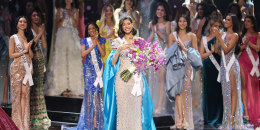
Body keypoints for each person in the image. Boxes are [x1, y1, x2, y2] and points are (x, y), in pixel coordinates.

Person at [103, 17, 156, 130]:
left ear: (132, 24)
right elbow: (112, 63)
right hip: (122, 80)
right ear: (121, 27)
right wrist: (119, 49)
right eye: (124, 24)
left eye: (128, 23)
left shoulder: (140, 40)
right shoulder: (117, 41)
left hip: (136, 79)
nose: (127, 26)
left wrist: (141, 64)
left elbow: (146, 61)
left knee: (136, 110)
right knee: (123, 110)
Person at [66, 23, 106, 130]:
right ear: (87, 31)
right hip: (88, 70)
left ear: (97, 29)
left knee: (97, 95)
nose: (91, 30)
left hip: (98, 71)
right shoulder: (85, 41)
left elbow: (103, 54)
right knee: (88, 95)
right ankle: (88, 123)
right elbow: (83, 54)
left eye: (93, 28)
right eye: (89, 29)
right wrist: (92, 45)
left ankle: (96, 123)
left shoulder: (102, 40)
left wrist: (97, 42)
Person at [214, 13, 251, 129]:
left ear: (232, 22)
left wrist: (219, 37)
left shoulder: (235, 35)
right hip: (224, 65)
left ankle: (232, 118)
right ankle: (226, 119)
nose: (225, 21)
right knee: (226, 92)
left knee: (233, 91)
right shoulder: (223, 34)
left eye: (228, 20)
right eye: (225, 19)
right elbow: (217, 50)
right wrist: (217, 37)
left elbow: (226, 49)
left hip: (232, 65)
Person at [166, 14, 202, 129]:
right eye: (180, 21)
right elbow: (169, 53)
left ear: (187, 23)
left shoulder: (192, 36)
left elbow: (196, 54)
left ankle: (186, 120)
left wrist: (183, 47)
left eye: (184, 21)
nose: (182, 23)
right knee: (177, 92)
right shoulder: (173, 36)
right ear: (177, 22)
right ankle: (180, 119)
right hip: (176, 67)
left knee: (186, 93)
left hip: (188, 67)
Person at [45, 0, 84, 96]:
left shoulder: (75, 10)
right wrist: (63, 17)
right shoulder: (59, 10)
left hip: (72, 36)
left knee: (72, 60)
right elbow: (58, 25)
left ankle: (72, 86)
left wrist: (71, 15)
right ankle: (61, 86)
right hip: (62, 36)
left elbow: (75, 25)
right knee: (61, 60)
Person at [9, 16, 34, 130]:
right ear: (17, 24)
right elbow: (11, 55)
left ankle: (24, 123)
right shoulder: (13, 38)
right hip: (17, 69)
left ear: (27, 24)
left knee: (25, 95)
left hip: (27, 68)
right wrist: (23, 51)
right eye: (20, 21)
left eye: (24, 22)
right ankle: (17, 123)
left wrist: (28, 48)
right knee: (17, 96)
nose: (23, 23)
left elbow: (32, 56)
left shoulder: (28, 37)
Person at [147, 1, 171, 116]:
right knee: (153, 79)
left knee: (161, 80)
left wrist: (156, 30)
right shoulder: (152, 23)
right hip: (153, 53)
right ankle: (153, 103)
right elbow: (150, 39)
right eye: (158, 10)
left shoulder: (167, 23)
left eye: (161, 10)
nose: (159, 12)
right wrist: (152, 32)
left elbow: (167, 39)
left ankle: (160, 105)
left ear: (165, 12)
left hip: (163, 53)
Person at [28, 9, 51, 129]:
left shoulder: (41, 29)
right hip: (32, 60)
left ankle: (41, 115)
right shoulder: (29, 30)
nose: (36, 17)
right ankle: (33, 115)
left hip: (41, 59)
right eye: (34, 15)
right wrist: (40, 33)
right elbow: (32, 44)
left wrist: (42, 33)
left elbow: (45, 45)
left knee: (40, 88)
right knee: (34, 88)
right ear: (30, 17)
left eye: (37, 15)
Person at [200, 19, 223, 126]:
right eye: (215, 25)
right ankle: (208, 117)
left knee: (218, 91)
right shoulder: (204, 39)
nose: (217, 28)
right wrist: (210, 52)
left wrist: (218, 37)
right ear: (210, 26)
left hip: (218, 67)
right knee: (208, 91)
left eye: (219, 26)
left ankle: (218, 117)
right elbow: (201, 55)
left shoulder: (221, 37)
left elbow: (218, 51)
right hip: (207, 67)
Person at [238, 15, 260, 123]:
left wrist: (249, 43)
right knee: (244, 85)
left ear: (252, 23)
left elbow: (258, 48)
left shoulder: (257, 35)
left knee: (254, 86)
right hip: (243, 61)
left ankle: (255, 112)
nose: (246, 23)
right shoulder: (242, 35)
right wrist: (244, 45)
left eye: (248, 21)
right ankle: (246, 112)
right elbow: (239, 49)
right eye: (245, 21)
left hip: (253, 62)